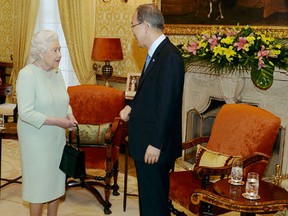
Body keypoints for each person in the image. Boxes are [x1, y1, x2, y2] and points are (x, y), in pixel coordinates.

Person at [120, 4, 184, 216]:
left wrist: (156, 144)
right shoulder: (157, 54)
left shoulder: (170, 57)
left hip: (154, 147)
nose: (133, 32)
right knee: (149, 200)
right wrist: (132, 107)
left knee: (154, 205)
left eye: (133, 26)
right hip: (146, 141)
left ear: (145, 26)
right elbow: (152, 95)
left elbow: (168, 104)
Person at [16, 30, 77, 216]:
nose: (60, 55)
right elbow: (26, 113)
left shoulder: (56, 73)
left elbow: (63, 100)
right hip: (36, 140)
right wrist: (60, 122)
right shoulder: (27, 75)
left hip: (56, 138)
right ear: (41, 52)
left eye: (60, 50)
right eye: (55, 50)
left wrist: (70, 115)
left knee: (55, 183)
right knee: (38, 186)